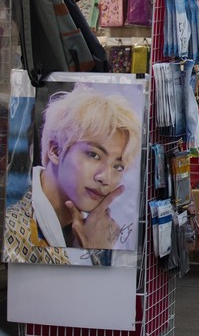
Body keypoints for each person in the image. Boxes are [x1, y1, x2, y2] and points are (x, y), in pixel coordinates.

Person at [3, 85, 141, 265]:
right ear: (55, 150)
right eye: (93, 155)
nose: (105, 178)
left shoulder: (94, 228)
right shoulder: (15, 228)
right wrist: (94, 251)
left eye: (118, 166)